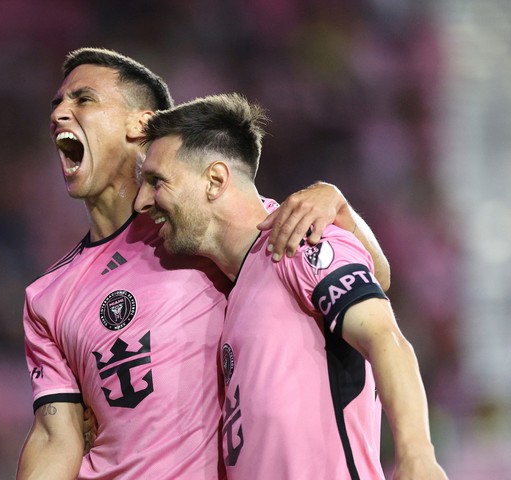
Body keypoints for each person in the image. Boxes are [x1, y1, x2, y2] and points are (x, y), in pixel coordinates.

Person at [17, 48, 390, 479]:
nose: (60, 112)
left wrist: (336, 202)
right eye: (57, 104)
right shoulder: (48, 297)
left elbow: (371, 278)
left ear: (140, 123)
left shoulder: (206, 231)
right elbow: (54, 437)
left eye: (83, 100)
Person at [134, 93, 448, 480]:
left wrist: (417, 457)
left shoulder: (297, 240)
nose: (141, 201)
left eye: (156, 182)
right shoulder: (235, 287)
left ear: (215, 180)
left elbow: (385, 338)